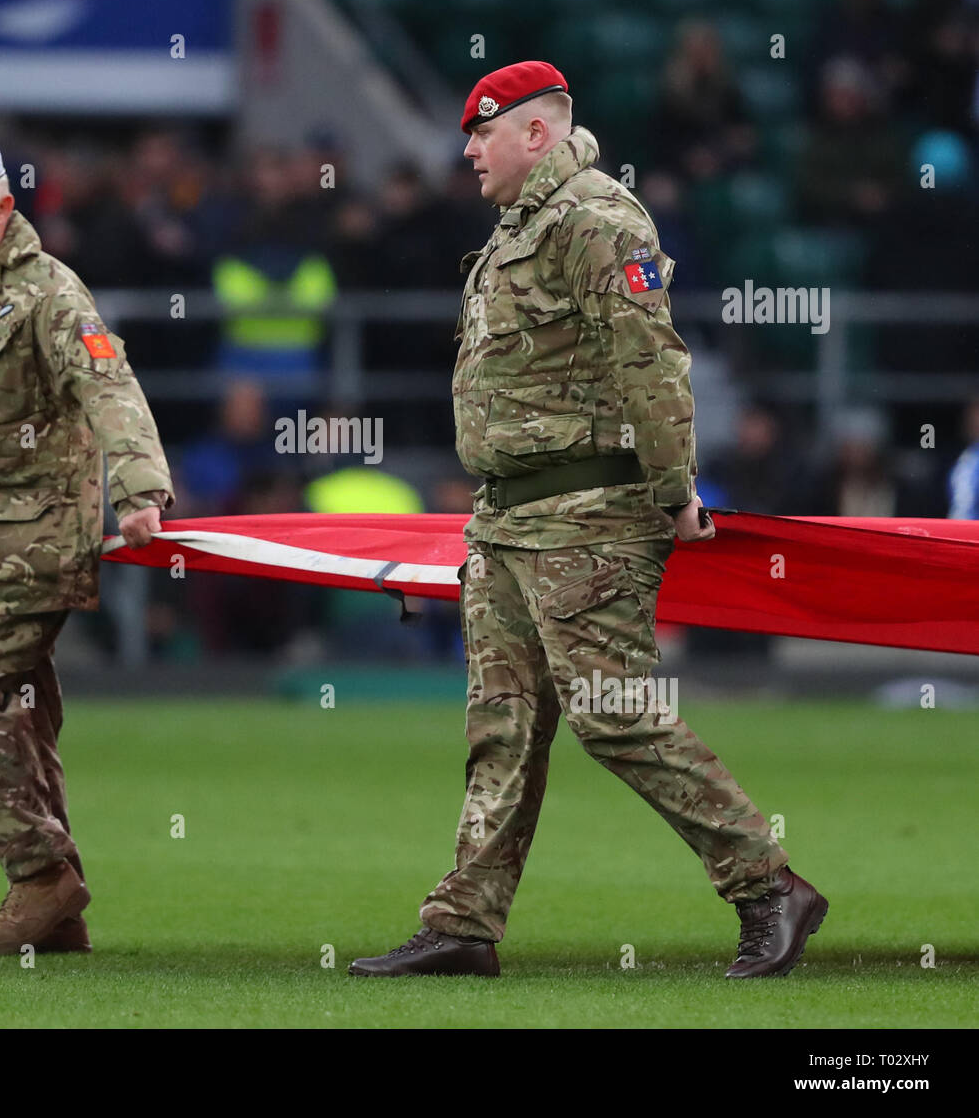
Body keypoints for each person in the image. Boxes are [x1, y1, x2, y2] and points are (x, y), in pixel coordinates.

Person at [349, 63, 827, 979]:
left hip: (586, 510)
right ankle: (463, 921)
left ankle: (769, 886)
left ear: (536, 133)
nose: (467, 149)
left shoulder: (600, 218)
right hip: (506, 516)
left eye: (481, 131)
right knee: (503, 723)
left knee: (614, 715)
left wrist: (673, 486)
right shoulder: (517, 229)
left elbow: (650, 356)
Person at [0, 142, 174, 955]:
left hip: (29, 551)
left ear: (4, 207)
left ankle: (40, 876)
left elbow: (108, 383)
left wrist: (140, 488)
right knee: (23, 721)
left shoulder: (47, 293)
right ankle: (60, 916)